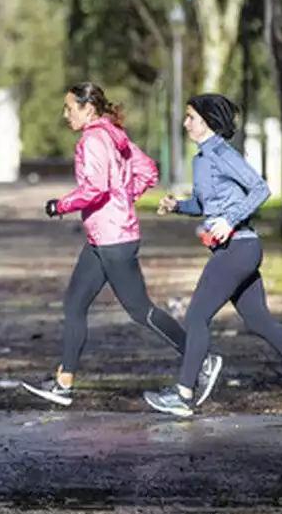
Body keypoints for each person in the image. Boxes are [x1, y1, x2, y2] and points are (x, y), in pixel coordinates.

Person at [20, 82, 223, 406]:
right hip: (103, 237)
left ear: (88, 109)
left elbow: (95, 188)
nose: (65, 114)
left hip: (113, 239)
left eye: (70, 108)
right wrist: (124, 198)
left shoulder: (93, 139)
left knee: (141, 311)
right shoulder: (115, 135)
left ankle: (202, 359)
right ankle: (63, 382)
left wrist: (60, 205)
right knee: (74, 303)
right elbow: (148, 170)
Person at [144, 94, 282, 420]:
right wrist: (178, 205)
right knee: (259, 320)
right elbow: (206, 207)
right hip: (234, 250)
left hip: (238, 249)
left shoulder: (221, 153)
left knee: (196, 317)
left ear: (206, 120)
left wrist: (230, 220)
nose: (185, 122)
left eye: (191, 116)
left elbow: (261, 188)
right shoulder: (201, 158)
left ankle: (184, 394)